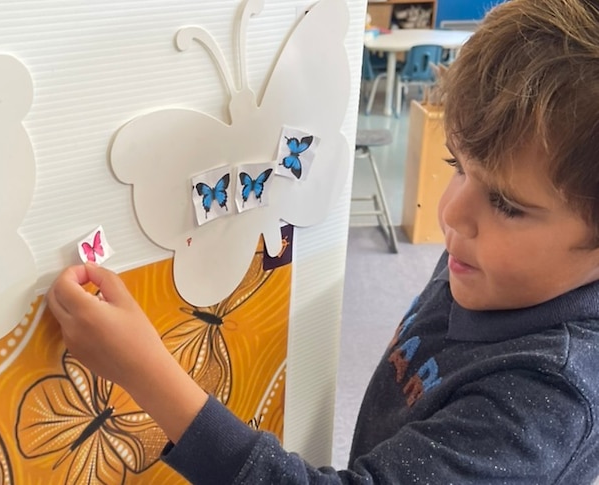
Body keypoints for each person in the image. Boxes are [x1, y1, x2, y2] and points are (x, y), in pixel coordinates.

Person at [46, 0, 599, 482]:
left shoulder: (547, 399)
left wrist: (145, 370)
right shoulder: (494, 265)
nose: (451, 212)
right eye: (457, 165)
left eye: (505, 204)